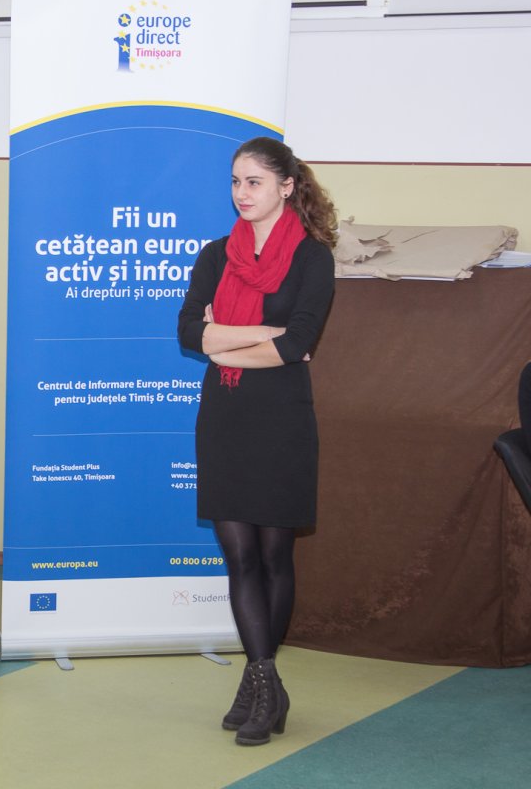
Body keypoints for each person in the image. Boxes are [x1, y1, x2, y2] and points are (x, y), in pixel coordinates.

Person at [177, 137, 337, 746]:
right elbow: (189, 333)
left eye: (254, 182)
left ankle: (259, 686)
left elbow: (296, 344)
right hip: (225, 417)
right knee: (238, 554)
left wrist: (225, 339)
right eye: (236, 182)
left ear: (286, 187)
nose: (241, 193)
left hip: (282, 419)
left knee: (274, 555)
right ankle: (267, 683)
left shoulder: (313, 258)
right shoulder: (215, 255)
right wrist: (256, 333)